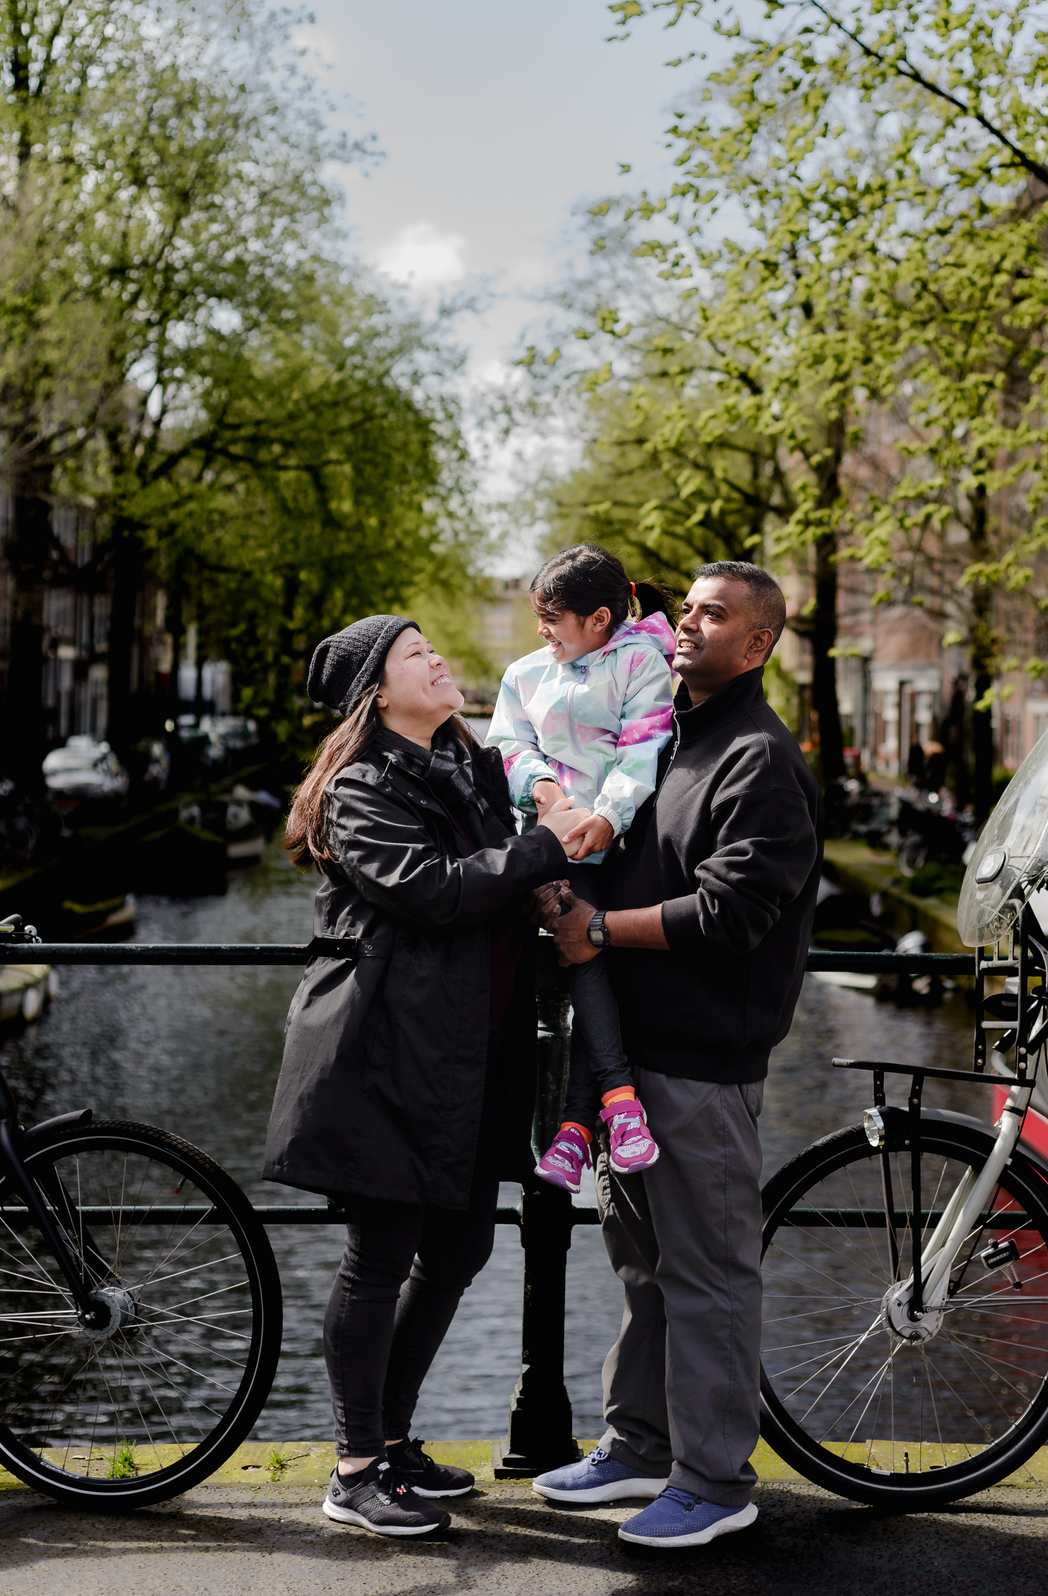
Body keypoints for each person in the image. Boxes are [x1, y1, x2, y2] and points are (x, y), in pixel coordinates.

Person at [262, 614, 590, 1540]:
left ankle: (393, 1442)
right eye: (416, 655)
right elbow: (435, 889)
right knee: (380, 1256)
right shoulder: (360, 787)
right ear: (376, 691)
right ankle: (354, 1467)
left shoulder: (468, 768)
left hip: (467, 1051)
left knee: (459, 1250)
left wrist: (544, 874)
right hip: (385, 1049)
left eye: (432, 649)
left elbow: (497, 872)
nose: (439, 660)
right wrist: (545, 848)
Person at [530, 562, 822, 1550]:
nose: (688, 621)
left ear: (756, 644)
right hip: (624, 1060)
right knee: (646, 1268)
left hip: (701, 1063)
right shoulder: (658, 735)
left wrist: (601, 930)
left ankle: (714, 1478)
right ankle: (644, 1443)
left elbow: (733, 911)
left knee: (709, 1275)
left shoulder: (760, 758)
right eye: (685, 606)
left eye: (715, 612)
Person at [486, 545, 675, 1192]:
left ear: (599, 618)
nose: (541, 630)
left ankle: (577, 1126)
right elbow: (508, 743)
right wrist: (540, 790)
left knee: (589, 947)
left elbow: (643, 744)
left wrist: (608, 817)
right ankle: (614, 1106)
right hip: (554, 847)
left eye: (552, 618)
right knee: (581, 942)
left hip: (620, 846)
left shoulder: (643, 662)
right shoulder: (526, 674)